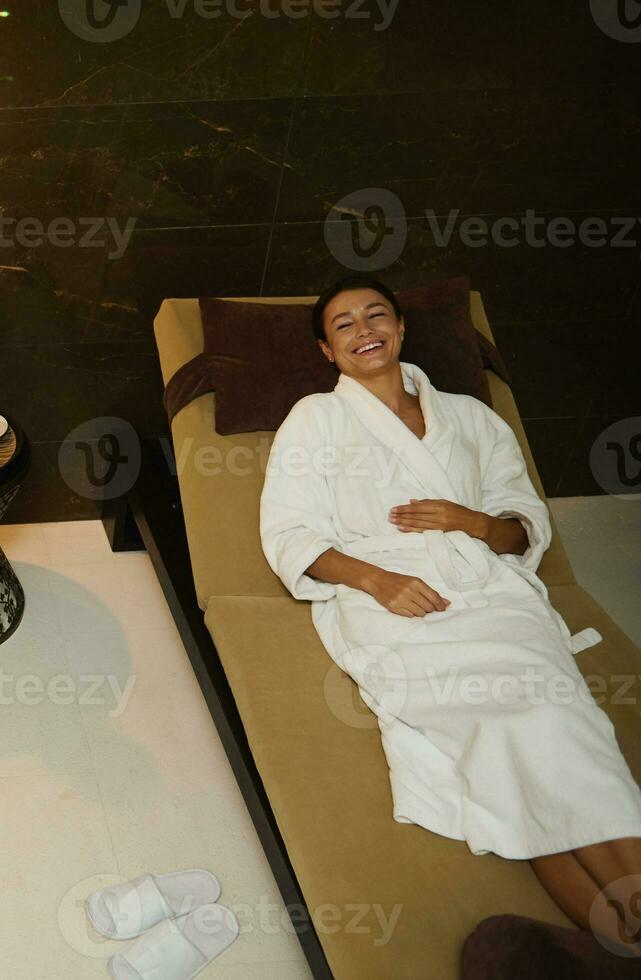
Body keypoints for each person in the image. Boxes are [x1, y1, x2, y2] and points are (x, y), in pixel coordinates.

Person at [259, 276, 641, 951]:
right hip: (392, 601)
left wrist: (472, 522)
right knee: (494, 732)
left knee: (557, 714)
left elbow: (523, 528)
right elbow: (290, 537)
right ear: (327, 350)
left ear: (401, 328)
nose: (362, 329)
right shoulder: (313, 420)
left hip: (488, 592)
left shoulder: (470, 415)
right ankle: (617, 935)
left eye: (375, 314)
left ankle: (615, 939)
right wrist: (376, 579)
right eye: (342, 324)